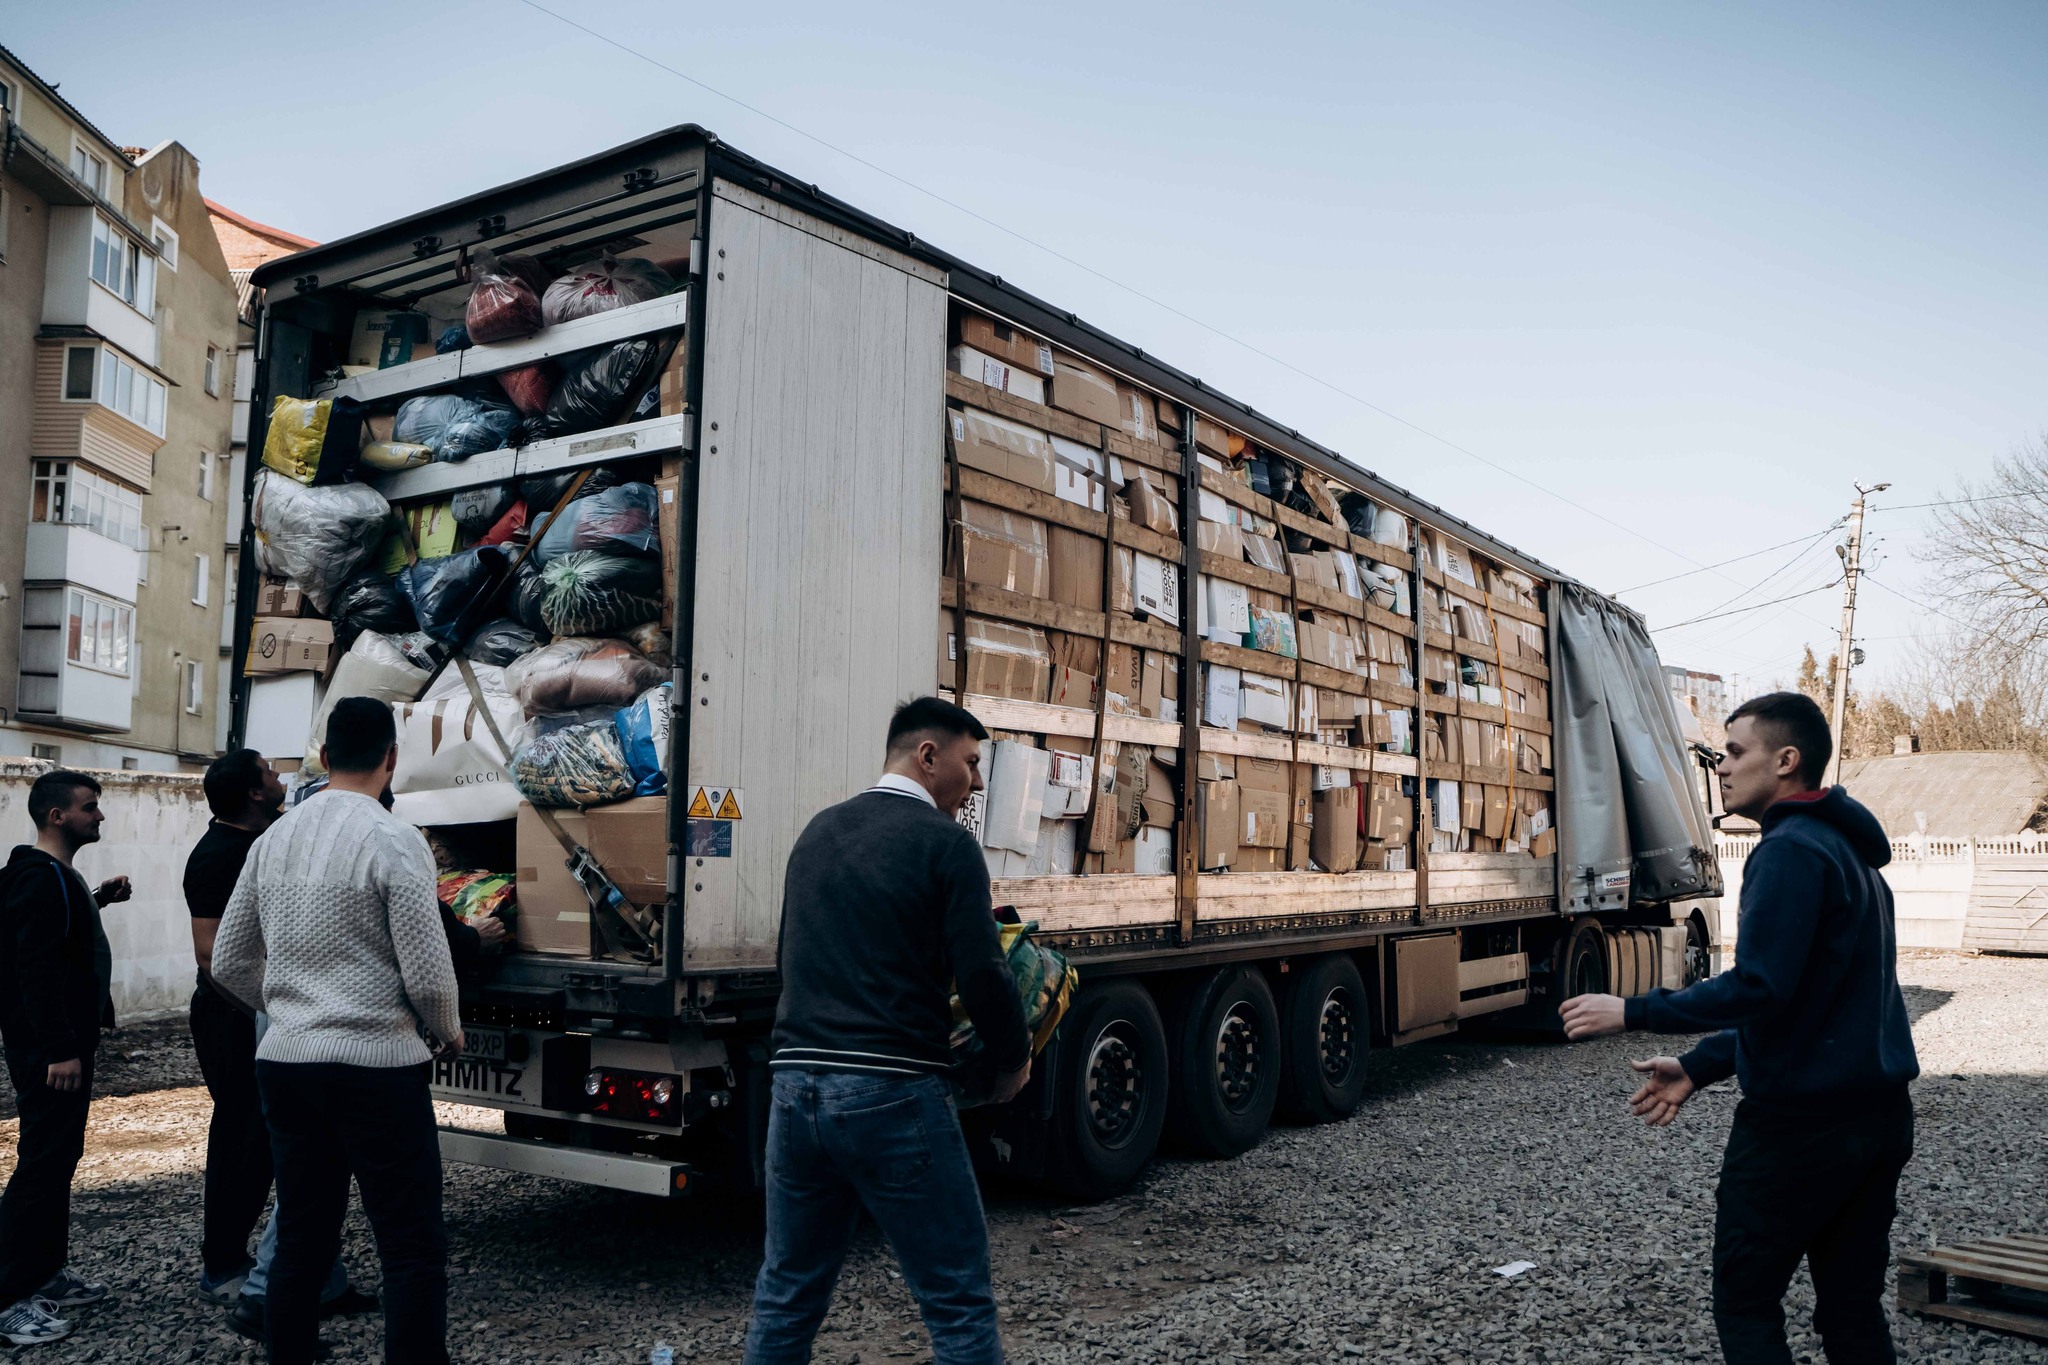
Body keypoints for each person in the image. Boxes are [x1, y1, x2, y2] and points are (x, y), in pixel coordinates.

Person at [1560, 691, 1920, 1365]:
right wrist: (1701, 1063)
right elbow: (1810, 1002)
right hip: (1877, 1118)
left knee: (1746, 1301)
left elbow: (1759, 985)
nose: (1721, 767)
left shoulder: (1789, 850)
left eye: (1734, 751)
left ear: (1786, 760)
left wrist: (1632, 1010)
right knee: (1850, 1307)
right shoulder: (1853, 855)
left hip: (1799, 1129)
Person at [743, 697, 1031, 1365]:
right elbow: (984, 972)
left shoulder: (818, 831)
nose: (979, 782)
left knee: (787, 1292)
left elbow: (792, 957)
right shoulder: (946, 844)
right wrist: (1011, 1060)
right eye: (972, 762)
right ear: (928, 757)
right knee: (956, 1299)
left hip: (795, 1091)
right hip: (893, 1091)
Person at [211, 698, 463, 1365]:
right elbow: (430, 972)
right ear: (391, 757)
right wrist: (447, 1032)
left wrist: (292, 1007)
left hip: (287, 1062)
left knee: (302, 1230)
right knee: (409, 1242)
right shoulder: (394, 838)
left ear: (323, 757)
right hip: (376, 1065)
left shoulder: (273, 838)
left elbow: (230, 958)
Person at [0, 770, 131, 1347]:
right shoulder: (39, 878)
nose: (98, 816)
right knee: (40, 1167)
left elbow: (56, 937)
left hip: (59, 1047)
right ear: (58, 816)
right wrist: (58, 1048)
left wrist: (97, 898)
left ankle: (43, 1273)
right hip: (49, 1052)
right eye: (90, 807)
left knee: (57, 1159)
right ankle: (6, 1299)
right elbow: (34, 968)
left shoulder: (53, 877)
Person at [187, 749, 288, 1302]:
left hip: (267, 1012)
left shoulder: (268, 836)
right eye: (271, 774)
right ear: (253, 792)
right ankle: (221, 1264)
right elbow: (211, 955)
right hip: (233, 1015)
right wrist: (269, 1009)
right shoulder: (217, 854)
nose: (281, 778)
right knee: (241, 1140)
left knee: (274, 1142)